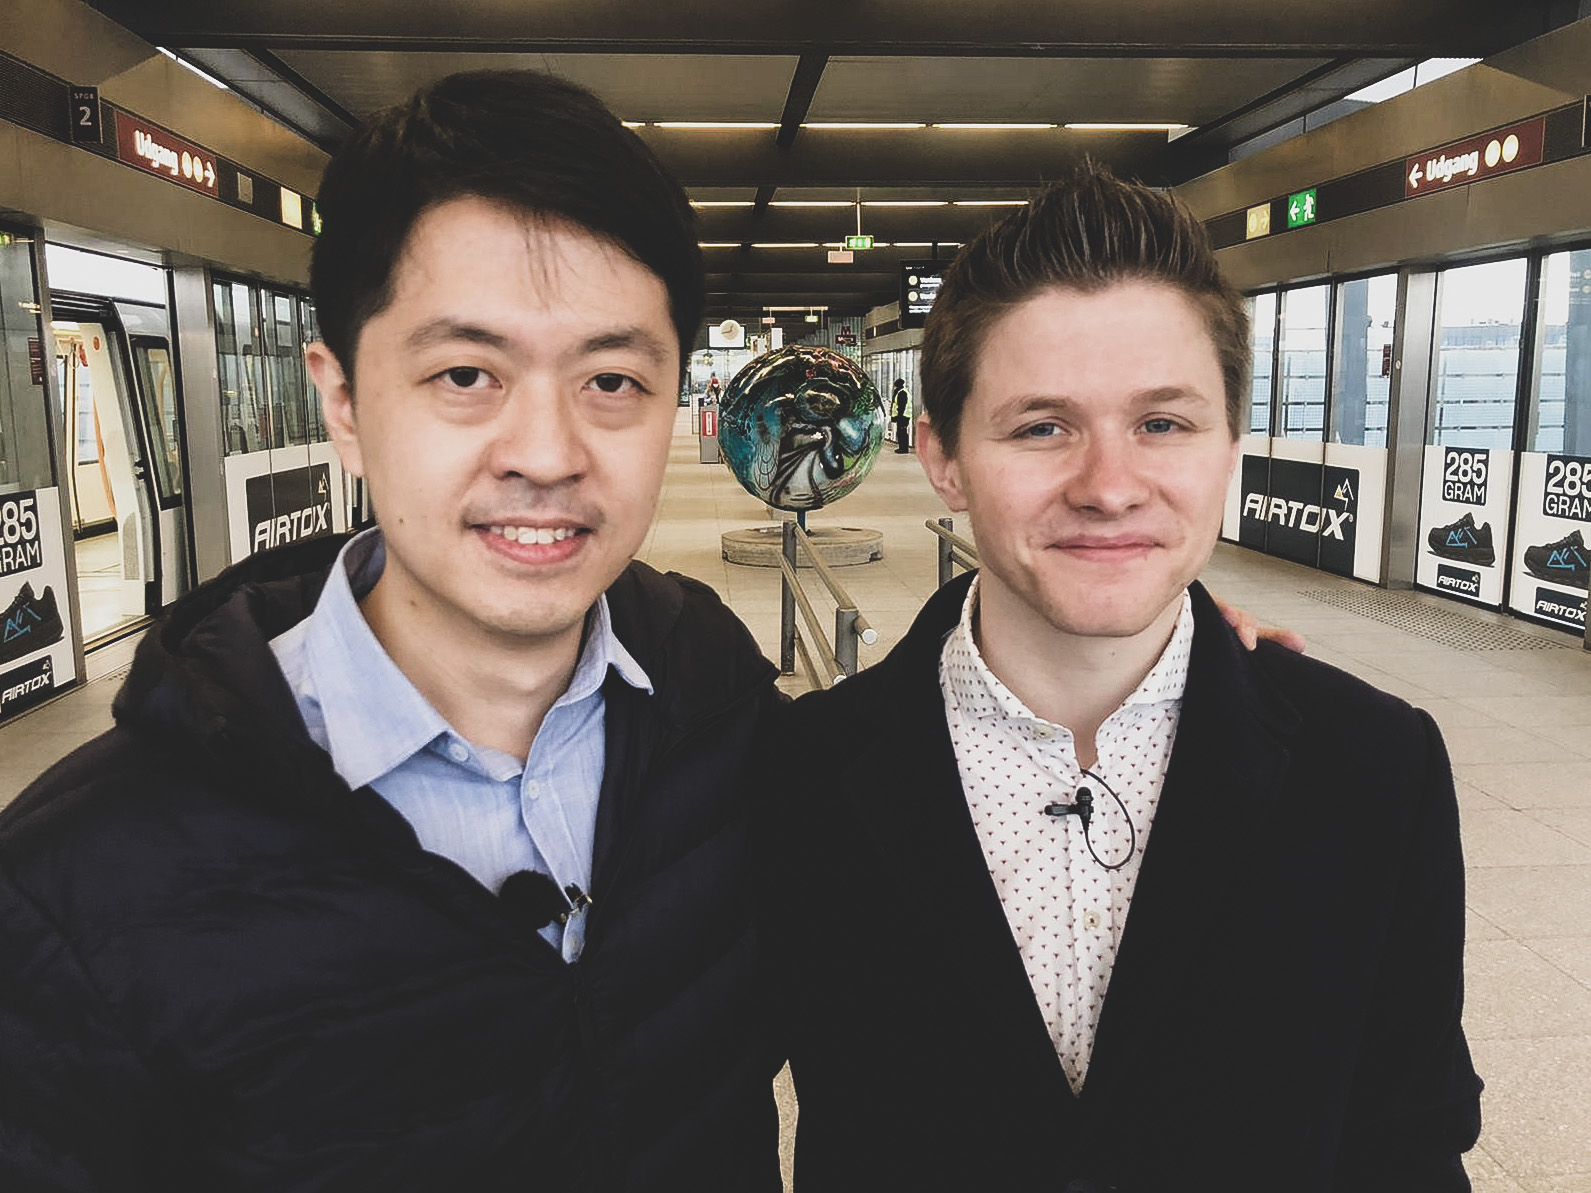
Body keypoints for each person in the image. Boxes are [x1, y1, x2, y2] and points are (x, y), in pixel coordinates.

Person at [0, 71, 780, 1191]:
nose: (546, 452)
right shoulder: (70, 886)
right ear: (344, 403)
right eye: (465, 374)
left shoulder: (717, 706)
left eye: (612, 379)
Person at [762, 167, 1482, 1191]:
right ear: (944, 456)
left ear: (1228, 443)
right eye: (1041, 425)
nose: (1107, 485)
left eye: (1163, 423)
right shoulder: (802, 774)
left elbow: (1408, 1140)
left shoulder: (1373, 766)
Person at [890, 377, 913, 452]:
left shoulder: (902, 393)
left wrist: (899, 416)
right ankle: (902, 447)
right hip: (903, 416)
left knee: (902, 432)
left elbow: (901, 406)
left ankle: (903, 448)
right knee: (901, 432)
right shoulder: (901, 392)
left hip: (903, 416)